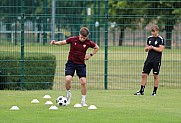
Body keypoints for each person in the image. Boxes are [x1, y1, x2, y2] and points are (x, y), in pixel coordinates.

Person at [50, 27, 99, 106]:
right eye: (82, 37)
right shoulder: (73, 39)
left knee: (83, 82)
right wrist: (55, 43)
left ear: (87, 37)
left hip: (81, 64)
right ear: (79, 34)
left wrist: (90, 55)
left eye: (84, 38)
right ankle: (68, 94)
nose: (83, 39)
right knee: (68, 79)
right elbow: (63, 42)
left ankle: (83, 101)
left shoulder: (88, 42)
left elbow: (97, 47)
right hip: (71, 63)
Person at [134, 25, 165, 96]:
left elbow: (161, 49)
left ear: (157, 31)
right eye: (152, 31)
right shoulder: (149, 38)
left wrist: (153, 47)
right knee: (144, 75)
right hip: (149, 60)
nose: (153, 33)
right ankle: (141, 91)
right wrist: (147, 48)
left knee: (155, 76)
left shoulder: (160, 39)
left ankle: (154, 92)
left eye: (154, 31)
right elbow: (146, 49)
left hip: (156, 60)